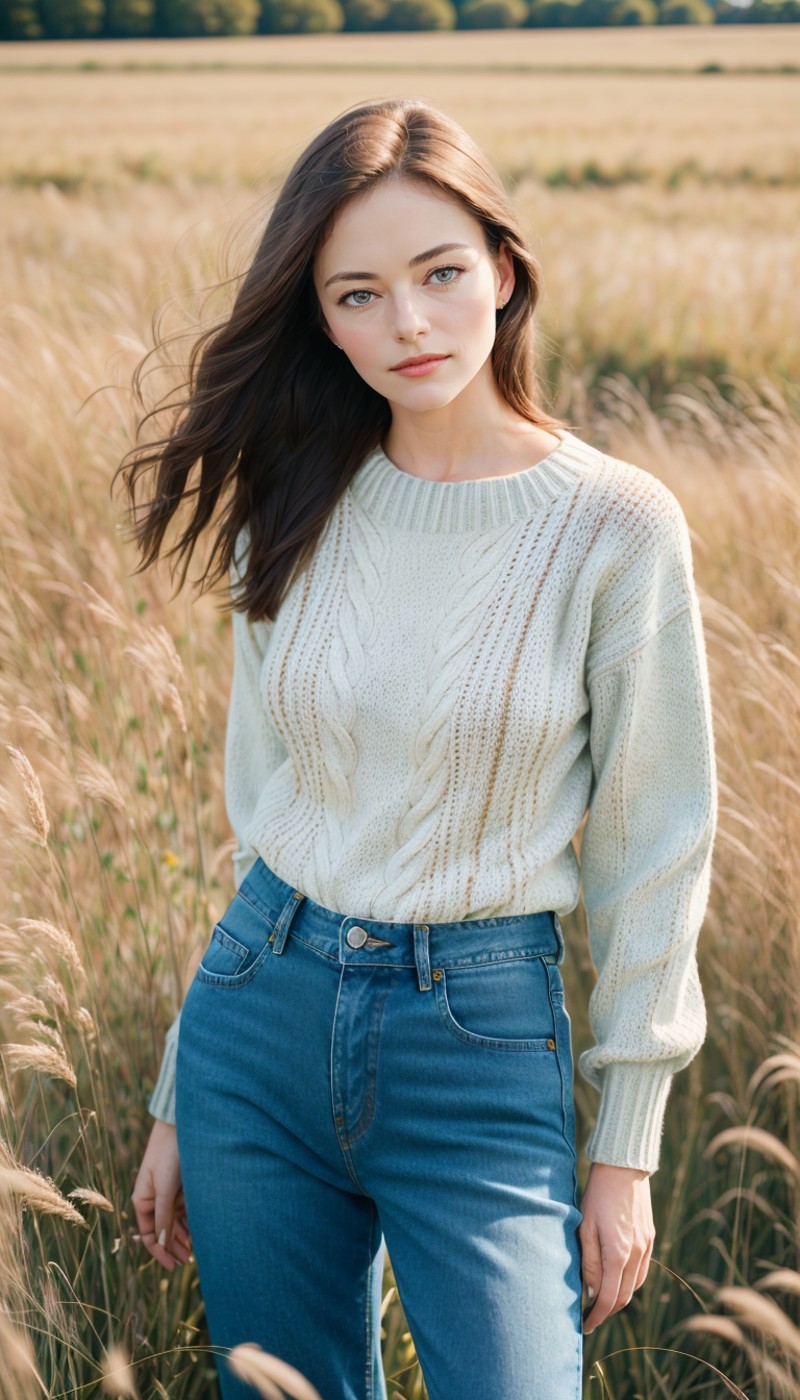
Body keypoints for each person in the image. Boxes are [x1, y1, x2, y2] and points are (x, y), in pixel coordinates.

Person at [125, 98, 717, 1400]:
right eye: (359, 294)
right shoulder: (289, 511)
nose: (409, 324)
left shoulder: (617, 528)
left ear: (504, 269)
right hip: (257, 1026)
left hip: (479, 1040)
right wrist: (179, 1087)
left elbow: (656, 850)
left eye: (442, 274)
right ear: (320, 318)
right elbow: (265, 814)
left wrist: (624, 1154)